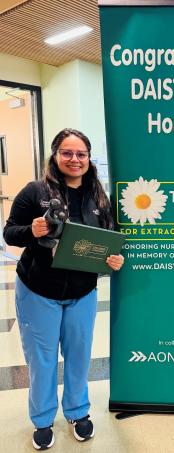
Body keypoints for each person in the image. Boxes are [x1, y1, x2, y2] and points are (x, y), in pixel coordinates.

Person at [3, 128, 124, 450]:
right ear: (55, 156)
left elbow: (110, 239)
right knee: (42, 360)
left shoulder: (99, 197)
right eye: (67, 153)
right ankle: (42, 420)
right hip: (38, 290)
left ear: (88, 159)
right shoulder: (35, 191)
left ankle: (77, 412)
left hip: (82, 292)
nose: (75, 159)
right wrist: (31, 229)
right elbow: (10, 234)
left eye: (81, 154)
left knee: (79, 356)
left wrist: (113, 259)